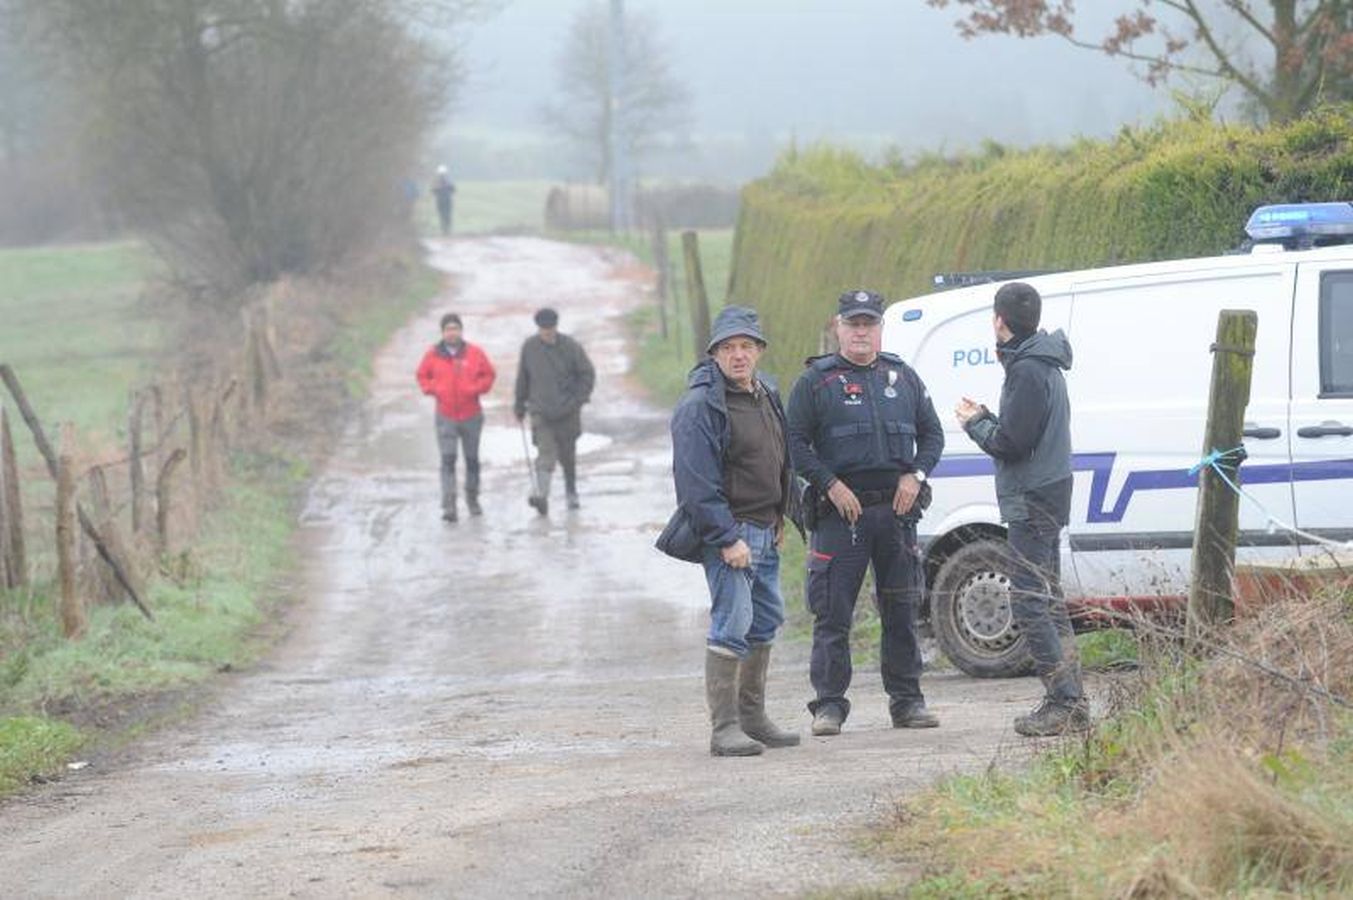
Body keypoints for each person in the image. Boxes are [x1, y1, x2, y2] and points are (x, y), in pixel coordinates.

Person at [786, 289, 945, 736]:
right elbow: (794, 443)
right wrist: (829, 484)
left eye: (868, 323)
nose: (861, 331)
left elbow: (932, 436)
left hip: (895, 515)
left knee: (901, 610)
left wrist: (915, 475)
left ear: (879, 328)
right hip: (842, 517)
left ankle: (908, 702)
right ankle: (829, 706)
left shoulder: (903, 377)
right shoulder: (816, 383)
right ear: (837, 327)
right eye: (853, 323)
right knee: (833, 615)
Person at [955, 282, 1088, 736]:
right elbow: (1022, 430)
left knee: (1031, 603)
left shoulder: (1028, 370)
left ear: (999, 321)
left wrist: (976, 424)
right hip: (1047, 492)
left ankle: (1064, 704)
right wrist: (991, 416)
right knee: (1048, 602)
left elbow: (1012, 444)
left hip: (1032, 498)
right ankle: (1073, 700)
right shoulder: (1042, 362)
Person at [671, 306, 801, 757]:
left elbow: (781, 456)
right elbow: (695, 484)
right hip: (733, 533)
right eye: (728, 348)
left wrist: (782, 513)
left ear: (760, 351)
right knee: (734, 622)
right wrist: (726, 538)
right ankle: (724, 728)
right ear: (714, 354)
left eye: (746, 346)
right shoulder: (700, 406)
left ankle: (754, 718)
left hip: (766, 527)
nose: (739, 355)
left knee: (765, 620)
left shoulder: (766, 392)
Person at [513, 307, 595, 514]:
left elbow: (587, 374)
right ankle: (541, 495)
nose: (547, 332)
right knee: (545, 454)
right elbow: (523, 377)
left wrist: (578, 399)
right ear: (538, 328)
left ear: (556, 327)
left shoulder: (571, 347)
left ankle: (571, 492)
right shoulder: (529, 347)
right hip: (541, 411)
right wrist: (519, 404)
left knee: (568, 456)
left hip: (568, 411)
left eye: (550, 328)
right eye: (543, 328)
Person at [416, 313, 496, 522]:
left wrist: (475, 388)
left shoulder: (475, 353)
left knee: (472, 460)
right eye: (448, 329)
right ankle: (449, 504)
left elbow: (489, 375)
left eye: (455, 328)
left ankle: (473, 499)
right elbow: (422, 375)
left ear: (461, 331)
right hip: (446, 416)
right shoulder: (432, 355)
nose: (452, 333)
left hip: (472, 415)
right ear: (442, 333)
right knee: (448, 460)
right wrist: (435, 389)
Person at [431, 165, 455, 236]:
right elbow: (434, 191)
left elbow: (453, 189)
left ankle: (446, 230)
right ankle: (445, 230)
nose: (442, 176)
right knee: (443, 215)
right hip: (443, 201)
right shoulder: (445, 181)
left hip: (445, 200)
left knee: (445, 215)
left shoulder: (447, 181)